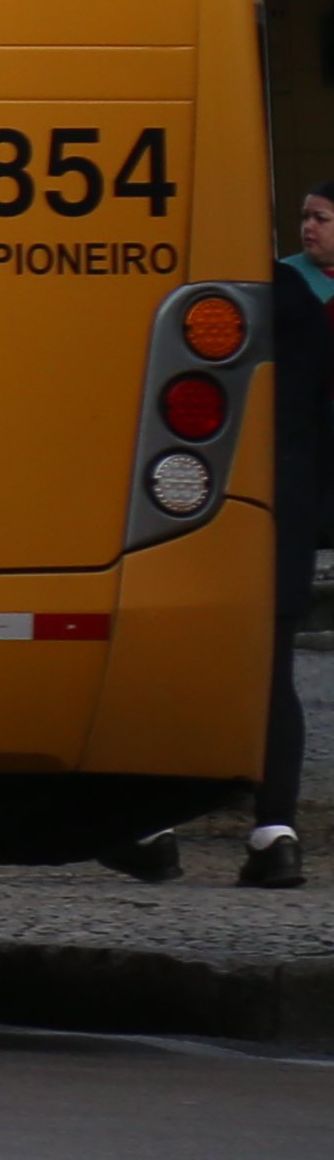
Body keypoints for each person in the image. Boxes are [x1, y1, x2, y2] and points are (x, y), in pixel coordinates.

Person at [255, 185, 334, 886]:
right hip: (281, 511)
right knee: (272, 675)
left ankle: (146, 823)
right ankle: (272, 828)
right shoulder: (299, 304)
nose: (307, 229)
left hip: (177, 511)